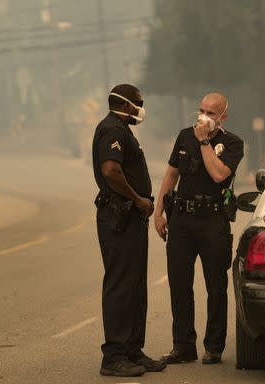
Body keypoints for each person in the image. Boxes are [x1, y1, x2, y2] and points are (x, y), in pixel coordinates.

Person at [154, 93, 244, 365]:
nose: (204, 117)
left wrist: (204, 140)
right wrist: (159, 211)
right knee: (180, 285)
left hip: (212, 222)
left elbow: (219, 174)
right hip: (182, 220)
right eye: (201, 110)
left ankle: (213, 346)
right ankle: (183, 346)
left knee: (215, 286)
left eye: (212, 113)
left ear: (223, 117)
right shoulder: (184, 136)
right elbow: (171, 174)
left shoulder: (232, 143)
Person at [92, 84, 166, 377]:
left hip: (131, 218)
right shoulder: (113, 130)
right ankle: (113, 356)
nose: (141, 107)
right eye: (139, 103)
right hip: (119, 217)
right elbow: (111, 170)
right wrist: (137, 199)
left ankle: (133, 351)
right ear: (127, 104)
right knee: (121, 285)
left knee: (135, 285)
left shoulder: (122, 130)